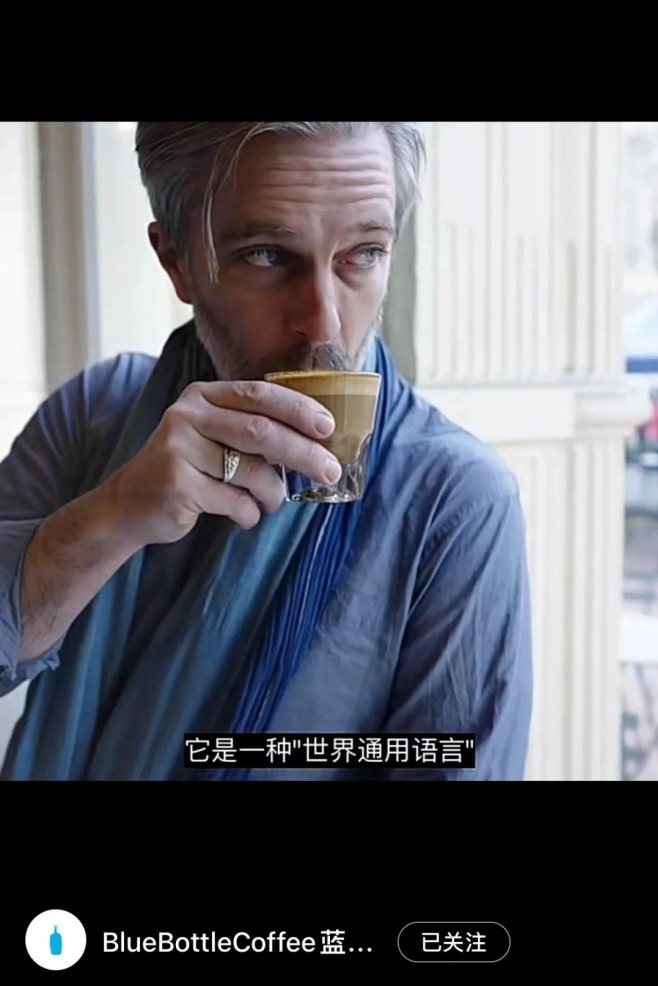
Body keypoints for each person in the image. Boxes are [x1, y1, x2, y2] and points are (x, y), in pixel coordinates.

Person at [0, 122, 533, 781]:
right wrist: (109, 520)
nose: (325, 323)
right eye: (268, 256)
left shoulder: (452, 503)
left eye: (364, 253)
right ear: (177, 261)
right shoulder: (95, 416)